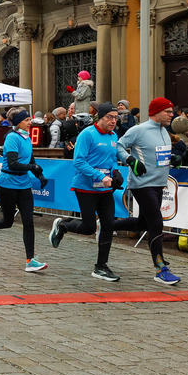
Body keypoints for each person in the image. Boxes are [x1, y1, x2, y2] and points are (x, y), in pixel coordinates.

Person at [111, 97, 183, 284]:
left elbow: (160, 156)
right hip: (142, 184)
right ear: (156, 112)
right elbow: (118, 146)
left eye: (171, 111)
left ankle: (107, 224)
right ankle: (160, 268)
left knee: (143, 224)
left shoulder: (165, 132)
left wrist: (173, 159)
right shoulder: (139, 130)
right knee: (156, 222)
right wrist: (130, 160)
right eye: (167, 111)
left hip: (159, 184)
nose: (171, 114)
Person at [49, 102, 122, 281]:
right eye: (109, 117)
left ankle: (101, 266)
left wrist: (116, 172)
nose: (113, 121)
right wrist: (99, 176)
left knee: (108, 224)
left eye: (116, 118)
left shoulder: (113, 136)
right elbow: (79, 162)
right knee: (89, 227)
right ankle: (63, 226)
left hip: (105, 189)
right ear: (100, 117)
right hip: (86, 187)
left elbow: (112, 159)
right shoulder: (87, 135)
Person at [0, 107, 48, 272]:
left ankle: (30, 260)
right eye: (27, 120)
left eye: (30, 120)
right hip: (7, 184)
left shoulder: (26, 138)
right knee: (7, 222)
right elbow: (13, 163)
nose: (30, 122)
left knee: (29, 222)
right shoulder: (12, 138)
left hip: (24, 184)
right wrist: (31, 166)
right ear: (19, 122)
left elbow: (30, 158)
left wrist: (39, 175)